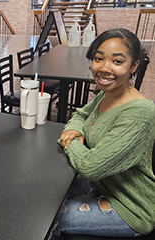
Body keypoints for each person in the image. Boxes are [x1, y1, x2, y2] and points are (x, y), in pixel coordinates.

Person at [53, 28, 155, 238]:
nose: (104, 68)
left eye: (117, 62)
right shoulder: (108, 94)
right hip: (103, 187)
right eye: (99, 59)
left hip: (131, 207)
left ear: (134, 65)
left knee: (49, 217)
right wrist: (73, 129)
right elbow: (80, 115)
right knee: (47, 193)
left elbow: (91, 167)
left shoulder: (139, 112)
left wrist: (71, 142)